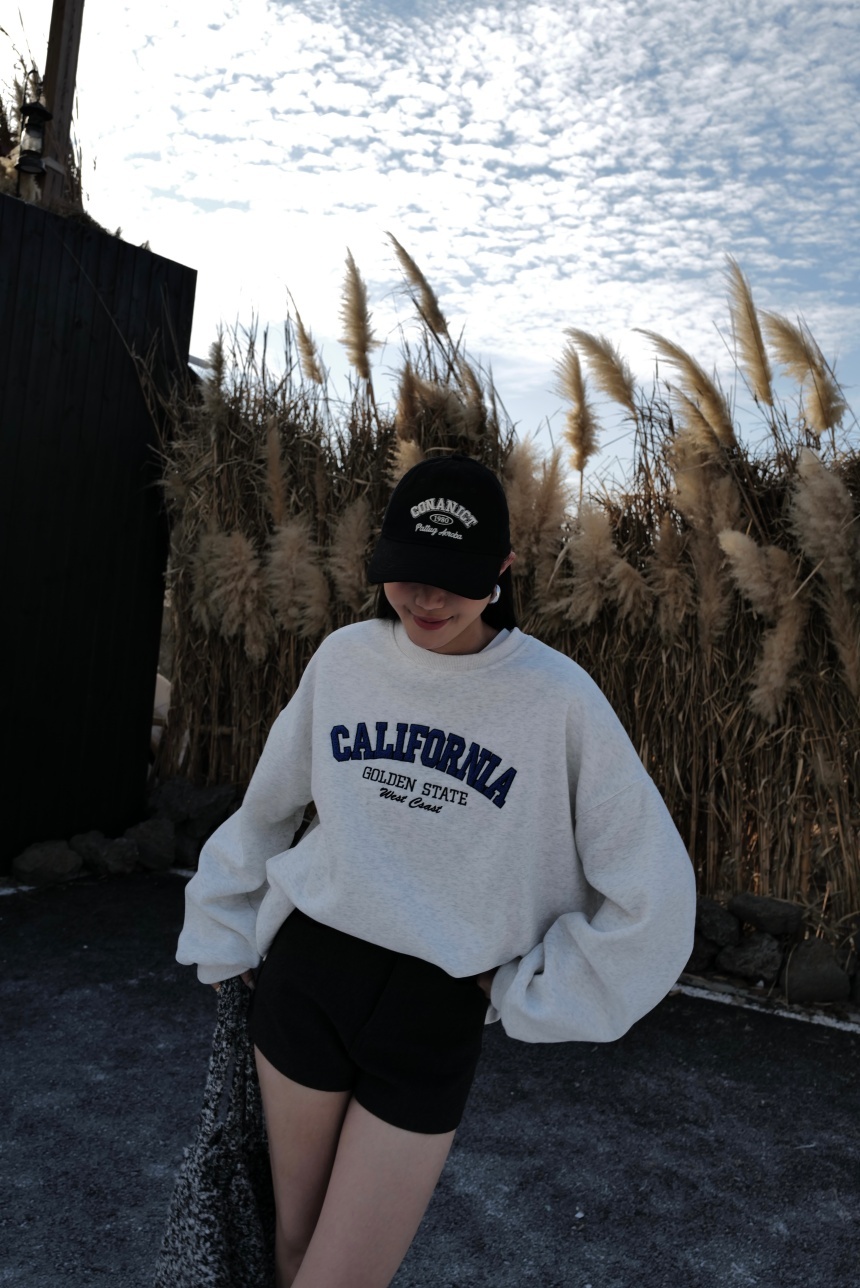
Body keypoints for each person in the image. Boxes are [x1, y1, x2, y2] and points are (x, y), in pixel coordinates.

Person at [177, 453, 696, 1288]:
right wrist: (225, 927)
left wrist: (539, 989)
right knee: (290, 1248)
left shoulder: (557, 698)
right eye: (408, 572)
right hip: (308, 980)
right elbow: (268, 806)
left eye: (454, 579)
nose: (426, 599)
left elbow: (653, 889)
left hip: (433, 1013)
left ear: (504, 569)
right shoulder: (346, 661)